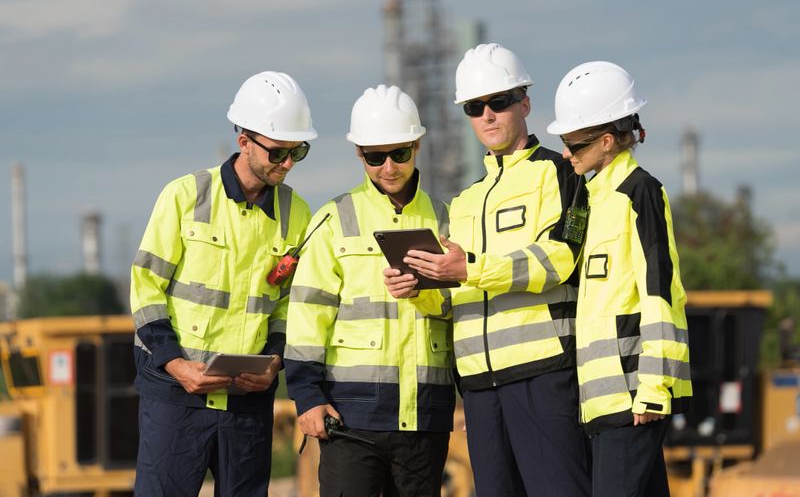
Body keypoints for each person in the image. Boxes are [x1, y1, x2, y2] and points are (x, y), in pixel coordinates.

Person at [385, 43, 591, 496]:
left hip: (543, 373)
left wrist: (471, 267)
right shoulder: (463, 201)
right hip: (478, 387)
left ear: (525, 103)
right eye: (475, 107)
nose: (488, 115)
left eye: (499, 102)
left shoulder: (560, 174)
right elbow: (454, 295)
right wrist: (418, 288)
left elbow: (559, 257)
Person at [129, 71, 316, 496]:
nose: (287, 164)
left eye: (297, 152)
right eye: (278, 152)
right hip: (175, 394)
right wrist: (176, 364)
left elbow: (291, 305)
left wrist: (273, 362)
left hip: (247, 401)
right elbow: (145, 290)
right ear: (244, 140)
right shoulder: (184, 196)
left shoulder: (298, 214)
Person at [284, 85, 455, 497]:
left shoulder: (447, 217)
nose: (389, 167)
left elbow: (461, 309)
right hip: (350, 418)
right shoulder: (333, 218)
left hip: (425, 417)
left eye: (400, 154)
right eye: (375, 157)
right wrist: (306, 396)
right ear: (359, 154)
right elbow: (308, 315)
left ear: (417, 145)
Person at [547, 60, 692, 496]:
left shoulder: (640, 191)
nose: (567, 153)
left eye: (574, 144)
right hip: (602, 401)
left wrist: (653, 386)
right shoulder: (590, 197)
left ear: (607, 141)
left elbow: (660, 290)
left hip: (634, 396)